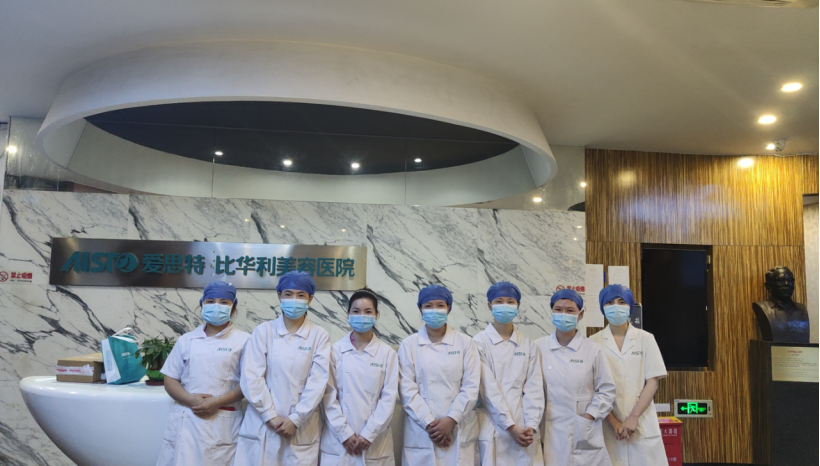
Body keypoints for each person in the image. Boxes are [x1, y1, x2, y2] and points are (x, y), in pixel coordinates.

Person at [233, 271, 330, 466]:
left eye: (301, 295)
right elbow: (251, 377)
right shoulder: (263, 331)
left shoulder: (319, 335)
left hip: (300, 428)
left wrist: (296, 419)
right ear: (279, 296)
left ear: (310, 299)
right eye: (288, 294)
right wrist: (271, 416)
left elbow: (318, 382)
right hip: (263, 424)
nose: (294, 300)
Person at [157, 281, 250, 466]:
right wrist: (191, 399)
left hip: (222, 420)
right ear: (202, 305)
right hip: (187, 418)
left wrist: (217, 401)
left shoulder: (245, 340)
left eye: (224, 302)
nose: (216, 306)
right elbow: (170, 379)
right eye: (210, 301)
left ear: (233, 308)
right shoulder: (186, 340)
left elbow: (248, 383)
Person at [398, 284, 481, 465]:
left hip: (457, 428)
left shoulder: (465, 343)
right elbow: (407, 390)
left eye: (440, 305)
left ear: (448, 308)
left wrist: (451, 420)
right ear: (420, 309)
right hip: (422, 431)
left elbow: (471, 387)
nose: (434, 310)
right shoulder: (409, 345)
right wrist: (431, 425)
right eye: (428, 306)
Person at [590, 284, 668, 466]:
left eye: (621, 302)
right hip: (609, 424)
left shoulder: (646, 339)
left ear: (630, 307)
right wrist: (614, 422)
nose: (615, 307)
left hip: (641, 421)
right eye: (609, 303)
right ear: (602, 308)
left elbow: (652, 382)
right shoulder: (593, 342)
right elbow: (594, 388)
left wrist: (634, 417)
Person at [535, 289, 616, 466]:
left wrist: (588, 416)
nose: (563, 314)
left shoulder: (592, 349)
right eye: (558, 309)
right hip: (548, 431)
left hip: (581, 429)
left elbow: (607, 390)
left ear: (580, 315)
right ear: (551, 312)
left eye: (570, 310)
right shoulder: (538, 347)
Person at [321, 288, 399, 466]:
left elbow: (388, 399)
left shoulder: (387, 354)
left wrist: (369, 434)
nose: (361, 316)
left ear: (376, 315)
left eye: (368, 311)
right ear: (348, 314)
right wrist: (344, 433)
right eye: (356, 311)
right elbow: (328, 396)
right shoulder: (334, 351)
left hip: (375, 443)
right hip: (338, 442)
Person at [474, 281, 544, 466]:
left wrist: (531, 426)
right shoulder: (479, 343)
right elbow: (488, 390)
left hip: (525, 430)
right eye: (499, 301)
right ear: (489, 305)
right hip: (494, 427)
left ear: (517, 305)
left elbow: (535, 390)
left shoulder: (528, 345)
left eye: (510, 301)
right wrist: (510, 426)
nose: (505, 306)